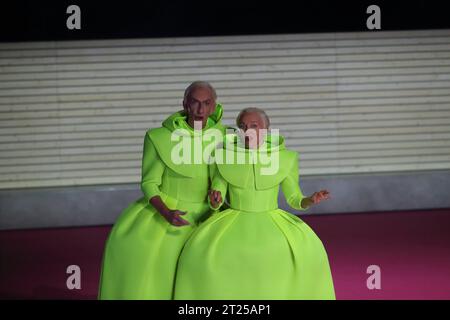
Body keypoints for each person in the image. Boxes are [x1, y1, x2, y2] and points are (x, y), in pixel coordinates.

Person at [173, 107, 336, 299]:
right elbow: (217, 194)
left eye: (254, 126)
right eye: (242, 126)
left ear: (266, 129)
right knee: (201, 254)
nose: (247, 131)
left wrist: (310, 199)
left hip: (272, 219)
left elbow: (294, 199)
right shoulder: (224, 157)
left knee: (306, 252)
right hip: (232, 220)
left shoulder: (285, 158)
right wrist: (215, 200)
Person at [98, 81, 228, 299]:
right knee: (158, 274)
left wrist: (217, 198)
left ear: (214, 107)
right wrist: (166, 212)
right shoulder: (159, 137)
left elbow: (222, 177)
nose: (200, 110)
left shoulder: (226, 136)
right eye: (195, 103)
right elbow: (149, 182)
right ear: (185, 104)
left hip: (209, 215)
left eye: (206, 103)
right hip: (170, 212)